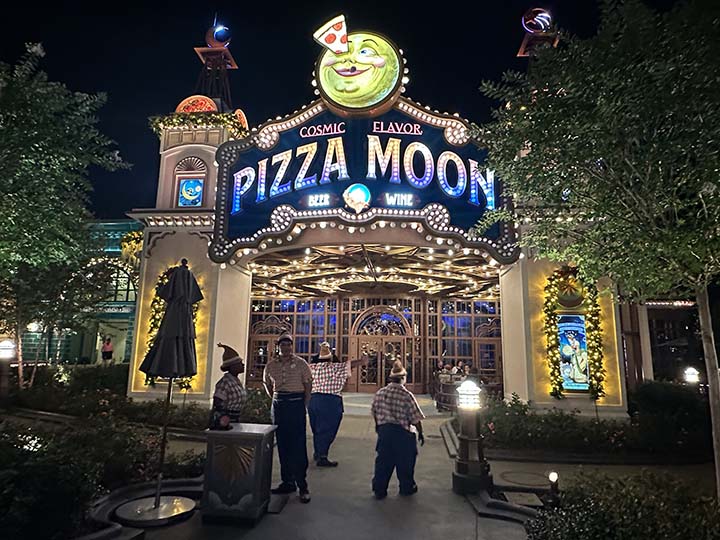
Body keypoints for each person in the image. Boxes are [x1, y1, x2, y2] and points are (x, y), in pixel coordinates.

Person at [263, 333, 313, 503]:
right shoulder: (271, 365)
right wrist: (275, 399)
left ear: (292, 346)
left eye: (288, 345)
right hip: (279, 406)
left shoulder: (301, 364)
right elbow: (267, 384)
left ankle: (302, 485)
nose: (286, 348)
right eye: (283, 345)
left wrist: (304, 404)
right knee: (282, 444)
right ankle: (287, 482)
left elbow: (308, 385)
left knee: (298, 445)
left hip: (295, 404)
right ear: (278, 347)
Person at [370, 360, 425, 499]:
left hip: (385, 432)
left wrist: (379, 427)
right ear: (403, 378)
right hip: (402, 434)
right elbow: (415, 418)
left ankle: (379, 489)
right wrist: (421, 433)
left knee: (383, 462)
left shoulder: (380, 393)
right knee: (405, 463)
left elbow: (375, 411)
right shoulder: (406, 395)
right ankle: (406, 487)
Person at [307, 341, 364, 467]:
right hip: (331, 402)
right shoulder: (337, 367)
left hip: (314, 400)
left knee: (317, 429)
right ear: (331, 358)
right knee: (328, 430)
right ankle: (322, 456)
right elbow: (351, 364)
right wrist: (363, 360)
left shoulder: (312, 368)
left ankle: (318, 452)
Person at [211, 343, 248, 428]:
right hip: (226, 420)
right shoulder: (225, 382)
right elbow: (218, 404)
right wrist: (223, 421)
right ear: (232, 366)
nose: (243, 365)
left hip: (236, 419)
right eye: (239, 363)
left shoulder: (236, 381)